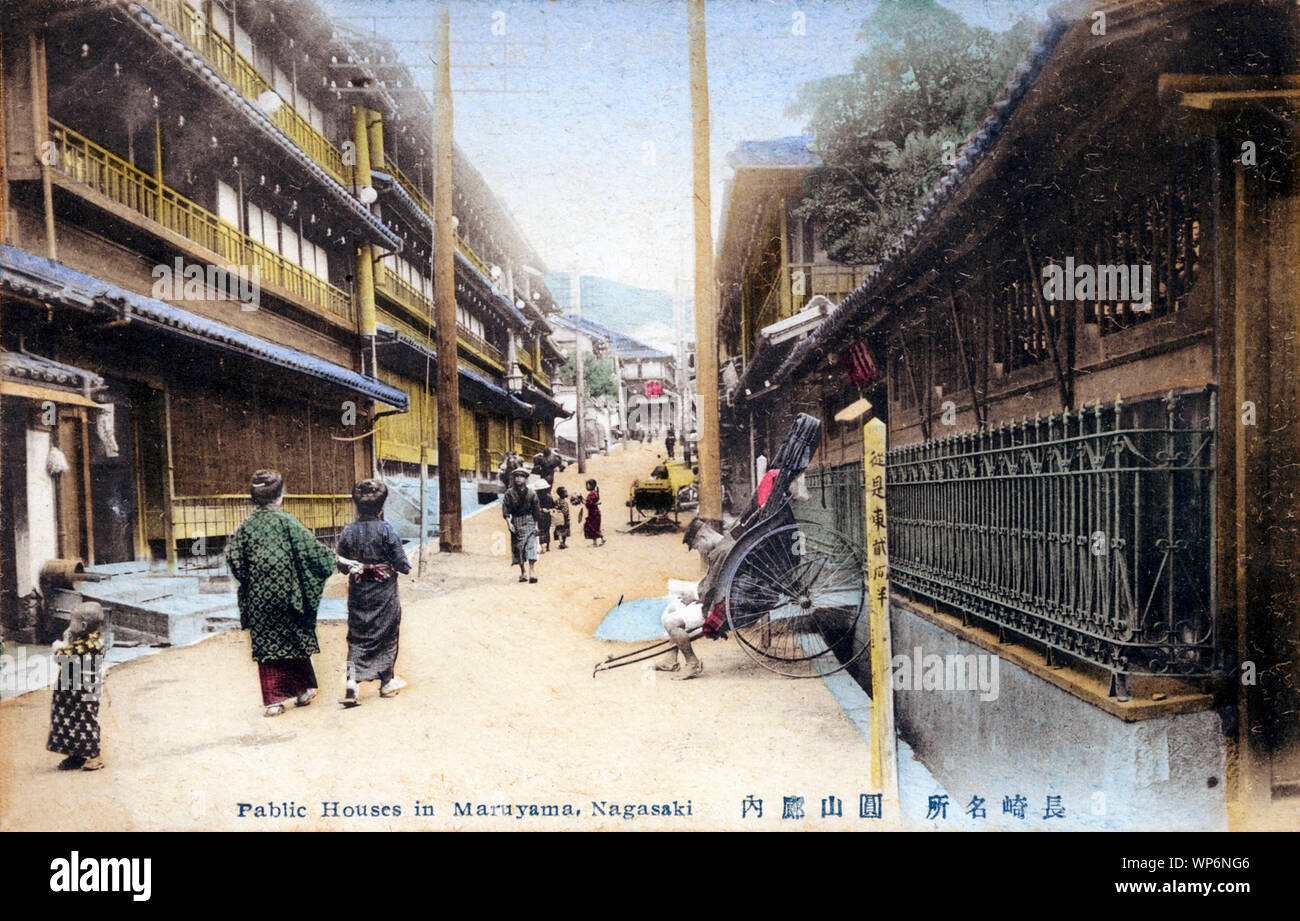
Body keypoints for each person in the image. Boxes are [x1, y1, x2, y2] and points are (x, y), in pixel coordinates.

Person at [226, 469, 336, 717]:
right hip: (289, 594)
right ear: (280, 495)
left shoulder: (245, 527)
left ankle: (272, 701)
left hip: (258, 597)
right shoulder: (287, 522)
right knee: (295, 637)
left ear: (253, 497)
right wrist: (334, 560)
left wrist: (251, 580)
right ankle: (303, 690)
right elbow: (313, 551)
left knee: (267, 644)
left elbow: (234, 558)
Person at [335, 479, 412, 707]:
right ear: (381, 506)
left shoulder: (349, 530)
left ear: (357, 505)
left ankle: (352, 681)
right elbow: (403, 566)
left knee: (357, 634)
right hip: (384, 594)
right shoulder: (386, 529)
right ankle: (386, 682)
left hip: (359, 592)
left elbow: (341, 565)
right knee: (387, 633)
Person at [656, 517, 736, 680]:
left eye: (698, 547)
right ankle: (671, 659)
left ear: (703, 538)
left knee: (671, 622)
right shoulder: (726, 544)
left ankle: (692, 663)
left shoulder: (720, 553)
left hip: (717, 606)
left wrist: (693, 596)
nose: (701, 552)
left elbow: (711, 589)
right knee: (673, 606)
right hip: (717, 599)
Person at [47, 601, 108, 770]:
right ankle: (76, 755)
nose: (68, 624)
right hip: (69, 690)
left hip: (85, 692)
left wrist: (60, 645)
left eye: (71, 621)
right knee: (68, 720)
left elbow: (62, 655)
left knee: (86, 721)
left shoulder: (92, 644)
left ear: (83, 625)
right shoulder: (80, 639)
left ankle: (95, 755)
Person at [502, 466, 541, 582]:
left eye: (521, 476)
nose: (519, 479)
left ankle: (532, 572)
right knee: (519, 548)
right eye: (516, 476)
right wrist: (509, 524)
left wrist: (536, 526)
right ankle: (523, 571)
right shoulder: (509, 493)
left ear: (526, 479)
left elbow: (536, 511)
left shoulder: (531, 493)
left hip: (529, 520)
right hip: (516, 521)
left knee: (530, 546)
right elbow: (506, 510)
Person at [580, 477, 605, 547]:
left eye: (587, 485)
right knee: (594, 527)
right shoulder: (594, 493)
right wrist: (582, 499)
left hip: (593, 513)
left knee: (592, 527)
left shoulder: (591, 494)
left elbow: (589, 503)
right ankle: (597, 541)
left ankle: (601, 539)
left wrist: (583, 500)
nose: (586, 487)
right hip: (594, 512)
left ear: (591, 485)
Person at [533, 476, 554, 553]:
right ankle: (547, 546)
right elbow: (553, 505)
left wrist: (541, 509)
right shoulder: (549, 497)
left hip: (540, 516)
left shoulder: (536, 498)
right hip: (548, 516)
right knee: (547, 531)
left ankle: (542, 547)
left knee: (541, 531)